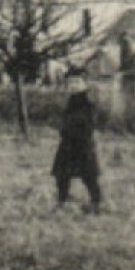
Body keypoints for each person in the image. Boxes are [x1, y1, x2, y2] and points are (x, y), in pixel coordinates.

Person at [52, 69, 103, 213]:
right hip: (67, 144)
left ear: (85, 84)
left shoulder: (88, 105)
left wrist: (75, 132)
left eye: (77, 82)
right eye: (70, 82)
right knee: (61, 175)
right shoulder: (70, 103)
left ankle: (96, 204)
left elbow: (88, 125)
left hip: (82, 145)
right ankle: (62, 202)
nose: (73, 85)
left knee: (89, 176)